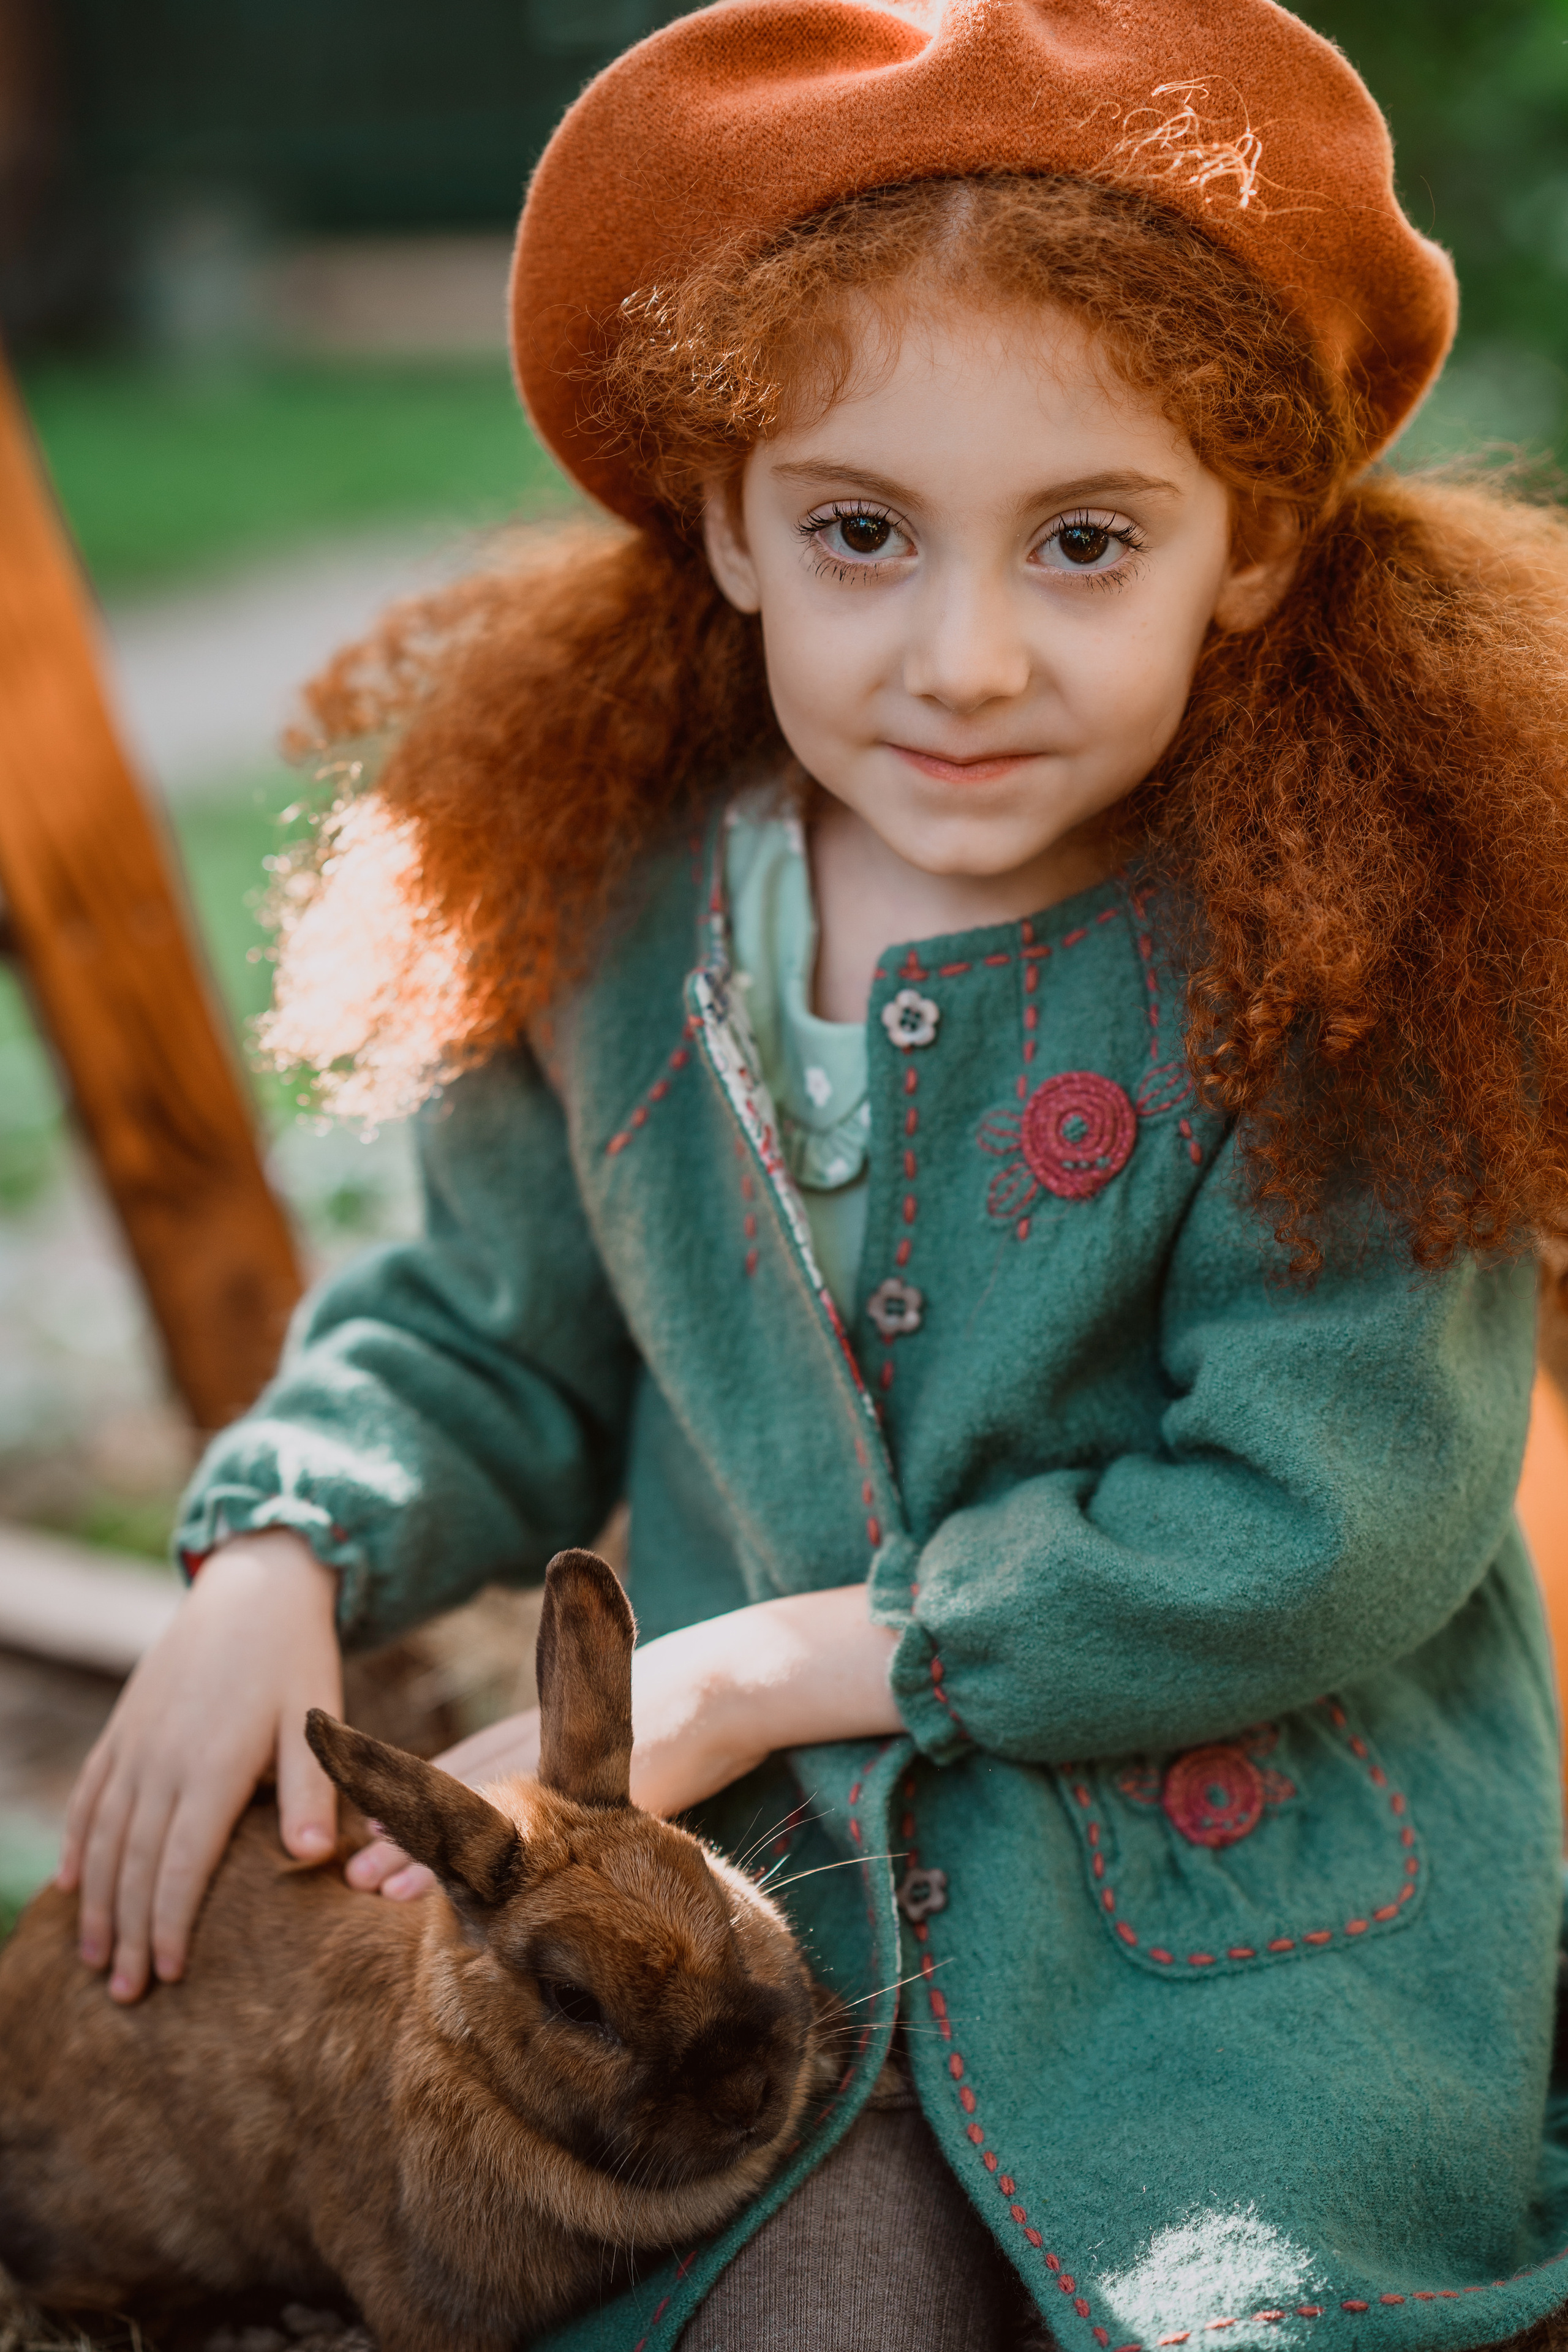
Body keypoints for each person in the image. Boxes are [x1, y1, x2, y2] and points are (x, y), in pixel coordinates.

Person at [55, 1, 1568, 2344]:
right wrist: (289, 1542)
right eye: (861, 532)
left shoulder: (1329, 945)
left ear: (1252, 545)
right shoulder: (628, 909)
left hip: (1227, 1929)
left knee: (1200, 2299)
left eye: (1086, 542)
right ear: (731, 522)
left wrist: (769, 1668)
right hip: (751, 1934)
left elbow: (1327, 1516)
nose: (961, 659)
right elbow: (478, 1322)